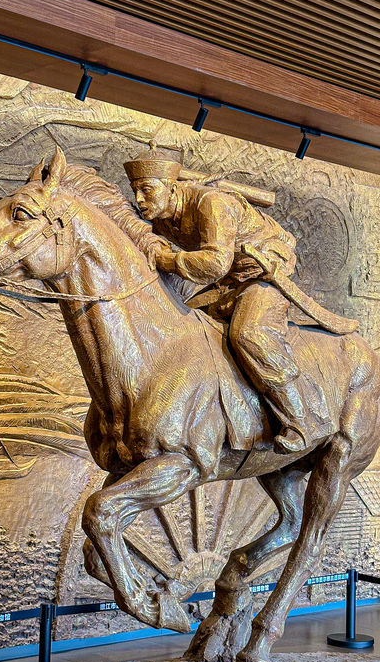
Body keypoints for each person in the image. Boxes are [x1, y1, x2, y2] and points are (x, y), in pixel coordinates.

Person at [122, 143, 315, 453]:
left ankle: (300, 419)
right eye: (135, 191)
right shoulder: (163, 221)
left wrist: (165, 259)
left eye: (146, 189)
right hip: (226, 284)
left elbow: (214, 262)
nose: (139, 200)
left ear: (172, 188)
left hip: (262, 275)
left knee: (249, 334)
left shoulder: (211, 204)